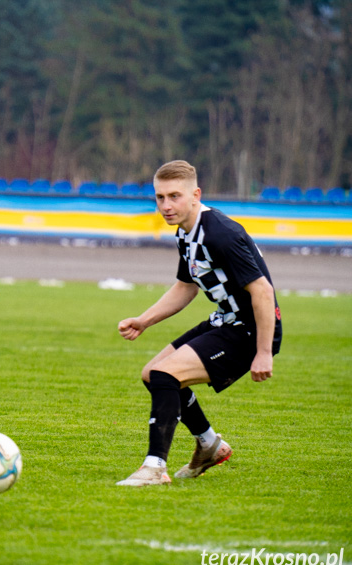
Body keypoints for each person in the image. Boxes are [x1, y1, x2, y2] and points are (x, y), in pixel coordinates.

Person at [116, 160, 282, 486]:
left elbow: (263, 290)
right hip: (226, 321)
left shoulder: (221, 233)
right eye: (160, 197)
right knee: (154, 374)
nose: (166, 205)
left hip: (249, 332)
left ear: (196, 194)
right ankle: (210, 446)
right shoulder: (185, 232)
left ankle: (154, 468)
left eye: (174, 196)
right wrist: (144, 321)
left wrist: (263, 352)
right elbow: (186, 286)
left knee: (167, 374)